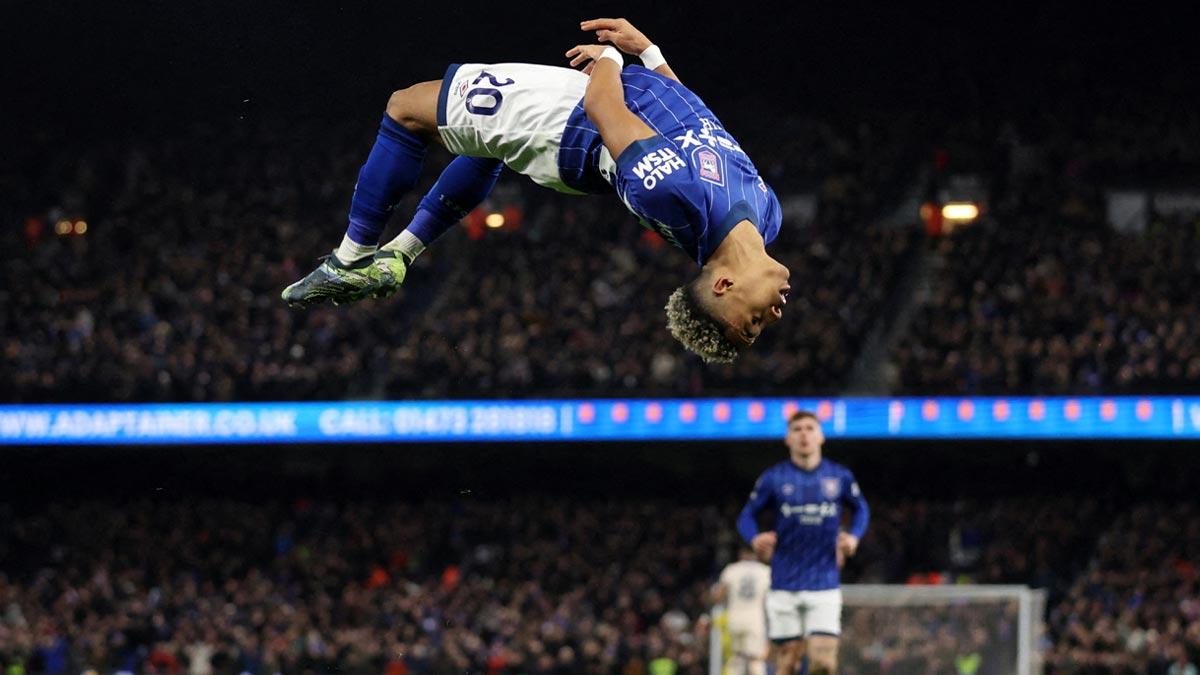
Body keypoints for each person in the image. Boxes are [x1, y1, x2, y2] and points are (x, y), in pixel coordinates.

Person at [281, 18, 791, 363]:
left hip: (564, 122)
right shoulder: (766, 215)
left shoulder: (675, 197)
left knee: (405, 108)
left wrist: (612, 55)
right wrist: (651, 54)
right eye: (759, 325)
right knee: (486, 146)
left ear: (723, 286)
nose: (773, 316)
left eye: (752, 324)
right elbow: (693, 121)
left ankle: (351, 257)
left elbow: (605, 108)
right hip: (582, 138)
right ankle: (402, 253)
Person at [736, 410, 870, 675]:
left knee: (823, 663)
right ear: (788, 439)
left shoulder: (839, 476)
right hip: (784, 584)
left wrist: (854, 536)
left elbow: (861, 509)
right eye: (797, 429)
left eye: (810, 428)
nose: (804, 434)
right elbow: (746, 516)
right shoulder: (774, 478)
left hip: (824, 584)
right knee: (787, 666)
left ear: (821, 436)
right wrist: (754, 538)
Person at [714, 546, 772, 675]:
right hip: (755, 619)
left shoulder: (732, 569)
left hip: (734, 617)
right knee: (756, 659)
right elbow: (769, 599)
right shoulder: (765, 571)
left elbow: (718, 595)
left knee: (736, 658)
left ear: (742, 553)